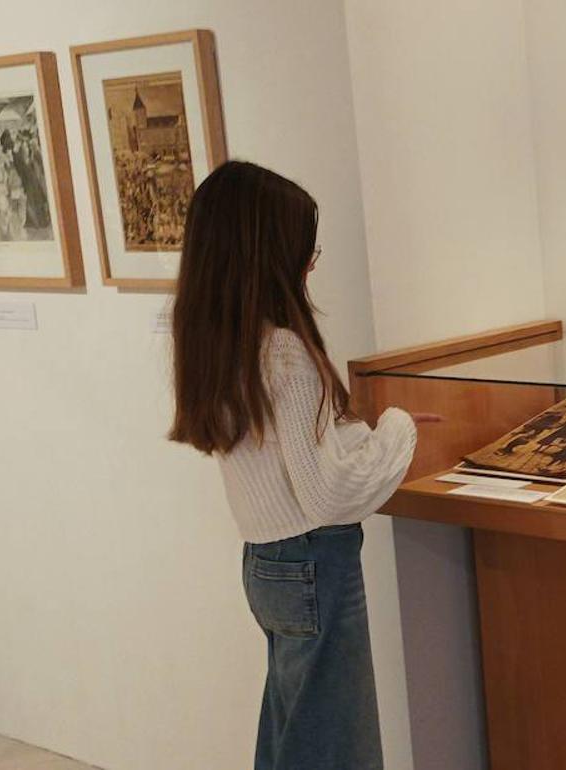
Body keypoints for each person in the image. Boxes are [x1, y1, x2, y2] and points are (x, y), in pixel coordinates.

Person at [168, 160, 436, 769]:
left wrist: (366, 434)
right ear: (267, 252)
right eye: (303, 247)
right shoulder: (284, 350)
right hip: (314, 560)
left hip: (266, 564)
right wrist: (399, 426)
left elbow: (300, 457)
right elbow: (327, 491)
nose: (311, 261)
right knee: (336, 746)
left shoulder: (219, 340)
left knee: (295, 735)